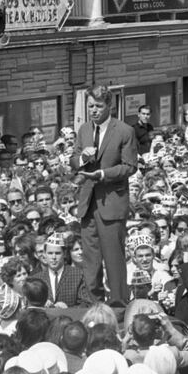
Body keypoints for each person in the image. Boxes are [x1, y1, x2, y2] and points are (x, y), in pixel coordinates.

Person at [70, 84, 138, 305]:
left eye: (98, 106)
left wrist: (103, 174)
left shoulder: (124, 131)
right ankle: (95, 304)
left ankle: (118, 305)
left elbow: (130, 166)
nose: (94, 110)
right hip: (88, 204)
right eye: (90, 106)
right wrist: (82, 160)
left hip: (112, 202)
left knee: (113, 259)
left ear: (110, 105)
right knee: (91, 260)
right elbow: (74, 159)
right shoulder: (84, 130)